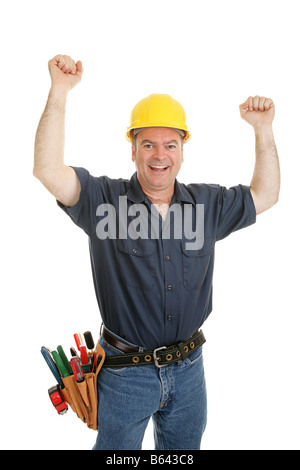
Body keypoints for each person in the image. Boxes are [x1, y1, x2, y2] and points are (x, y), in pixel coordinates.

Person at [33, 54, 280, 450]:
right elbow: (47, 169)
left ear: (183, 149)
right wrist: (59, 91)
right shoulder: (104, 202)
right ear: (133, 150)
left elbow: (266, 194)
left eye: (170, 144)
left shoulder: (207, 206)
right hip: (125, 376)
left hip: (189, 371)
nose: (159, 155)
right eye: (147, 144)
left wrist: (263, 130)